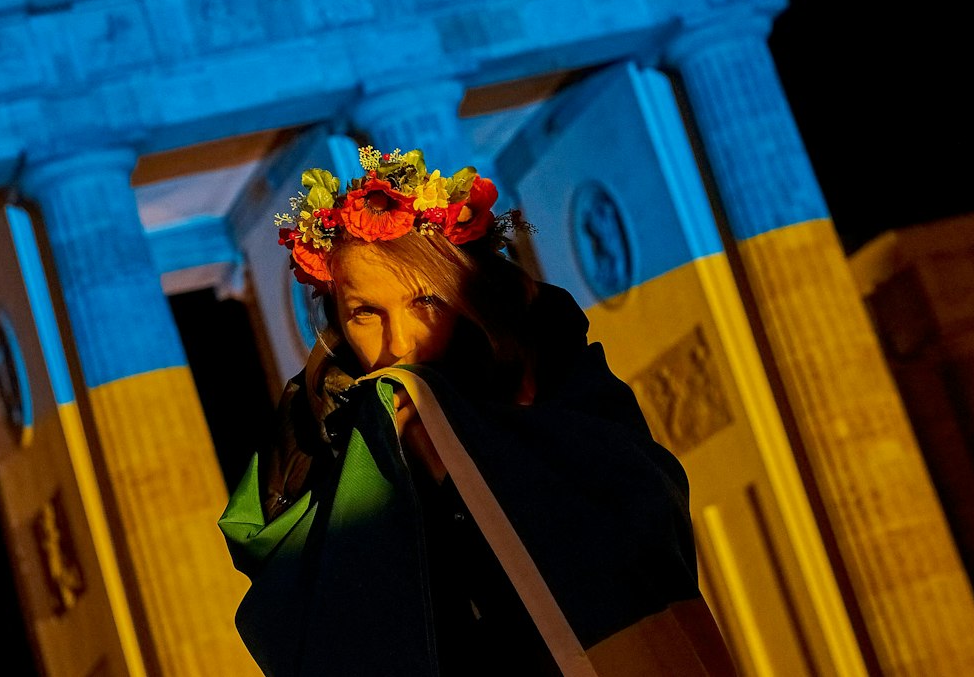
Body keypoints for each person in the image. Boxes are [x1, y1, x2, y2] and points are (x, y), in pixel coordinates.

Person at [219, 146, 736, 676]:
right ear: (335, 322)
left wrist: (467, 469)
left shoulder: (561, 378)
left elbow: (645, 517)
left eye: (426, 302)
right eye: (365, 314)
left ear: (469, 294)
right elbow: (298, 620)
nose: (398, 344)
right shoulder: (314, 444)